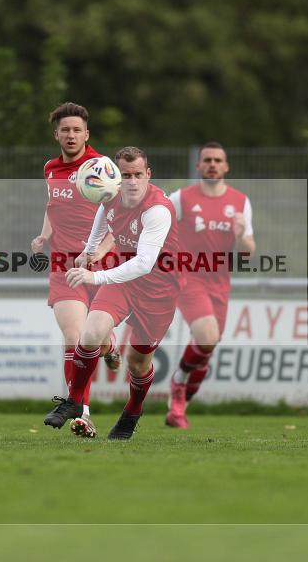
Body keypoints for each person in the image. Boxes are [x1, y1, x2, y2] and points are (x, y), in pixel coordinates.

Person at [44, 146, 182, 440]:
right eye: (126, 175)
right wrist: (88, 252)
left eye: (137, 175)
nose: (132, 182)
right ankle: (75, 400)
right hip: (124, 281)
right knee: (91, 332)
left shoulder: (157, 209)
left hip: (158, 290)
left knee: (137, 362)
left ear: (148, 175)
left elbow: (144, 264)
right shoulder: (110, 196)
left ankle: (133, 410)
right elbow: (101, 219)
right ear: (118, 177)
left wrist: (96, 275)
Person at [33, 102, 118, 439]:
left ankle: (110, 347)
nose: (70, 135)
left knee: (94, 340)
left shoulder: (103, 168)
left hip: (101, 265)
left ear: (87, 134)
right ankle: (83, 413)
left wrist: (99, 250)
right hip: (64, 266)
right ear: (57, 134)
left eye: (76, 130)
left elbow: (120, 218)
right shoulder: (50, 168)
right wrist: (45, 234)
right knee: (74, 337)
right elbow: (53, 206)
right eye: (65, 130)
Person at [164, 142, 255, 429]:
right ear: (199, 166)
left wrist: (241, 236)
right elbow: (159, 227)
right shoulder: (182, 198)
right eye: (208, 160)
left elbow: (248, 252)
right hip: (188, 278)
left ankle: (178, 409)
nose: (213, 164)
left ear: (226, 167)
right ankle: (178, 381)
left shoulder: (240, 202)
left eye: (218, 160)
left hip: (220, 281)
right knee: (206, 336)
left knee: (208, 347)